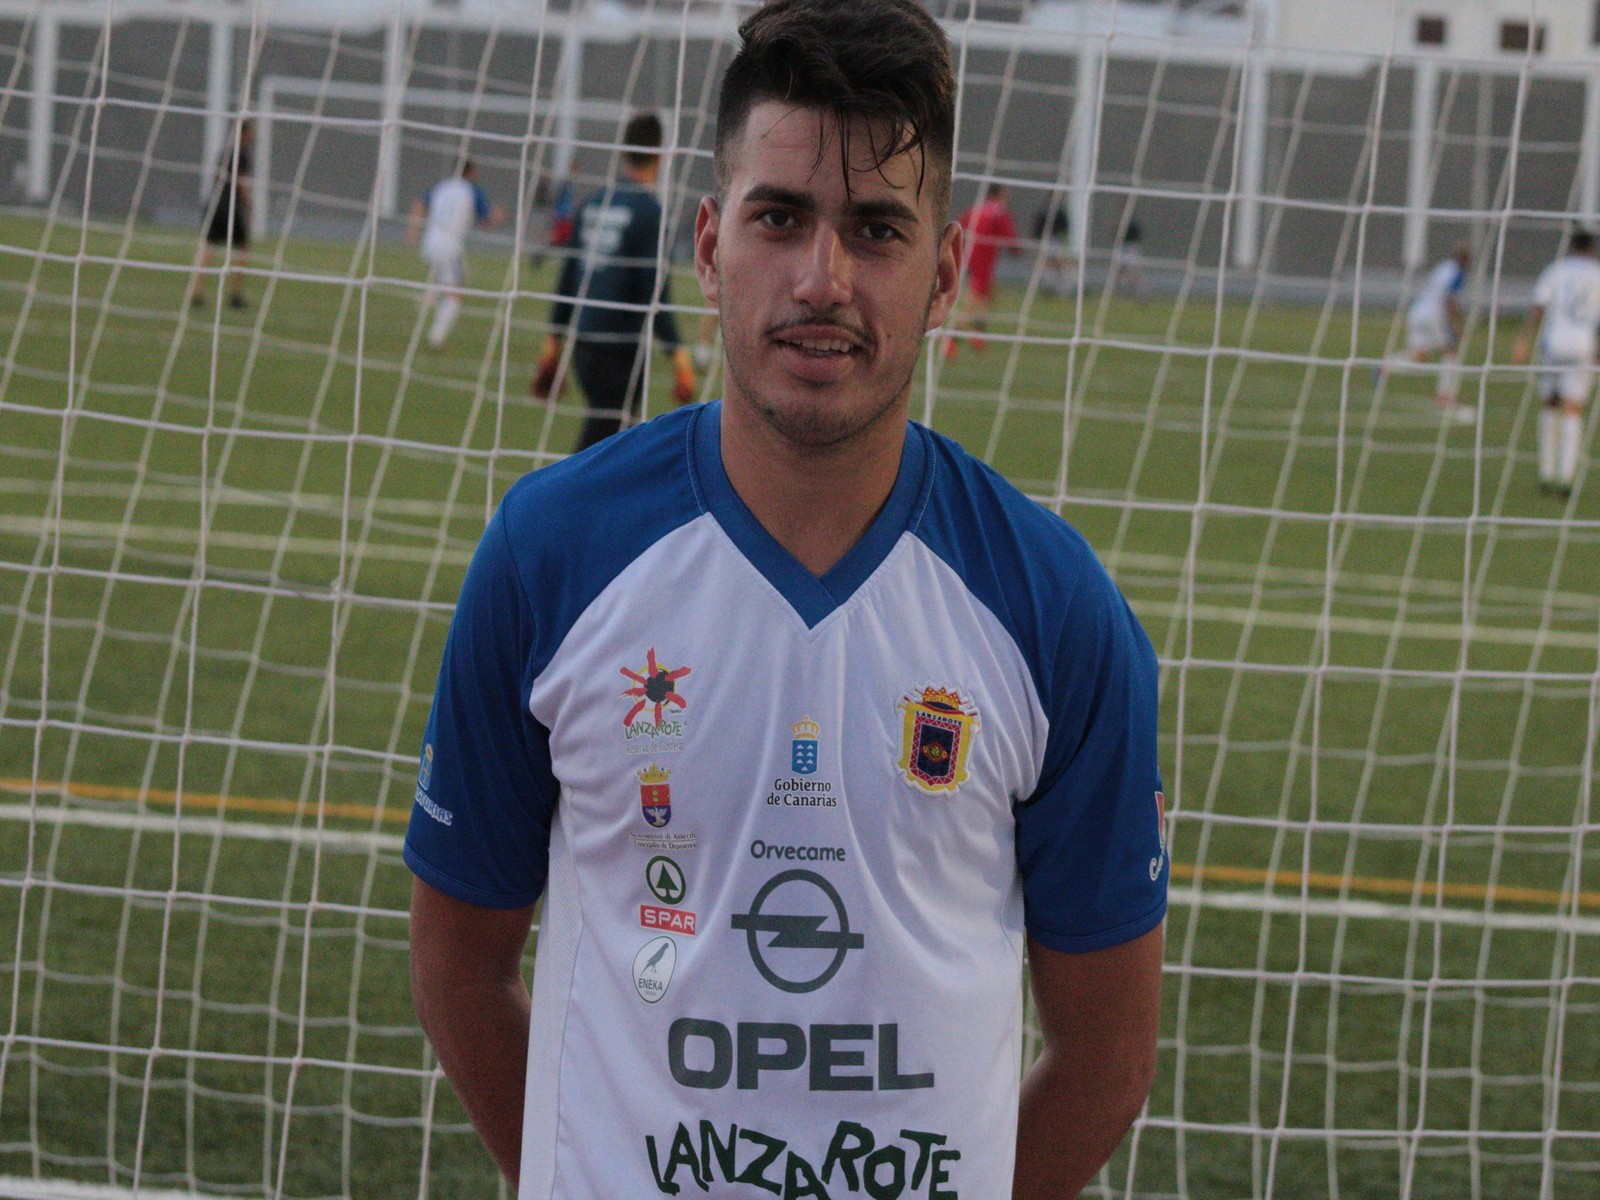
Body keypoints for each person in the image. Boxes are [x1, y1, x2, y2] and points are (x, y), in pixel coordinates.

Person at [406, 3, 1165, 1198]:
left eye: (875, 229)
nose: (823, 278)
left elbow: (1108, 1060)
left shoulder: (1052, 607)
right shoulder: (549, 554)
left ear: (943, 275)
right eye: (779, 218)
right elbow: (458, 970)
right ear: (710, 245)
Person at [530, 112, 698, 450]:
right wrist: (678, 356)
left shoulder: (593, 202)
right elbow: (653, 291)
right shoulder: (650, 212)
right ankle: (564, 486)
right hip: (620, 348)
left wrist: (552, 344)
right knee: (607, 441)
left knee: (618, 439)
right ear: (661, 155)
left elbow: (568, 278)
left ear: (622, 152)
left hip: (584, 345)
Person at [1513, 228, 1600, 495]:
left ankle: (1546, 473)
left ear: (1571, 247)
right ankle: (1566, 477)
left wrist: (1524, 341)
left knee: (1550, 404)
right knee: (1573, 409)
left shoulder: (1556, 270)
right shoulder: (1597, 273)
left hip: (1553, 344)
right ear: (1592, 249)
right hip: (1582, 347)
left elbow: (1538, 306)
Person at [407, 159, 504, 351]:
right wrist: (500, 216)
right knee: (455, 295)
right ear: (470, 173)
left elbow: (419, 204)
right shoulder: (471, 190)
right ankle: (436, 337)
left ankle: (430, 294)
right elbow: (488, 220)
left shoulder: (442, 186)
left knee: (460, 276)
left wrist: (413, 231)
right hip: (449, 246)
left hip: (430, 242)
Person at [1383, 241, 1474, 423]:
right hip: (1433, 316)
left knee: (1419, 356)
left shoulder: (1443, 267)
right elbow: (1449, 300)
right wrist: (1457, 325)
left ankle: (1385, 366)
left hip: (1417, 312)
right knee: (1451, 350)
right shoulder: (1457, 273)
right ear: (1465, 259)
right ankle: (1444, 395)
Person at [942, 181, 1017, 360]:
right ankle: (951, 339)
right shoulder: (1000, 211)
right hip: (984, 260)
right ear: (1000, 193)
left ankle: (978, 333)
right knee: (974, 301)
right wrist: (1017, 250)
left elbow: (960, 224)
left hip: (972, 257)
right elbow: (1009, 236)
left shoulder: (978, 209)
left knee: (988, 296)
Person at [189, 118, 254, 309]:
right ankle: (235, 295)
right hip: (230, 207)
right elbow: (241, 183)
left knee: (209, 247)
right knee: (242, 248)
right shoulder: (242, 154)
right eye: (251, 132)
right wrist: (249, 205)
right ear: (245, 133)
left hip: (214, 204)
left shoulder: (225, 152)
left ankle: (196, 292)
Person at [1111, 214, 1147, 303]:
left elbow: (1137, 237)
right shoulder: (1122, 222)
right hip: (1123, 248)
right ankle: (1120, 291)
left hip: (1131, 248)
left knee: (1134, 272)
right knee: (1119, 271)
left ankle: (1142, 293)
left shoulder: (1133, 224)